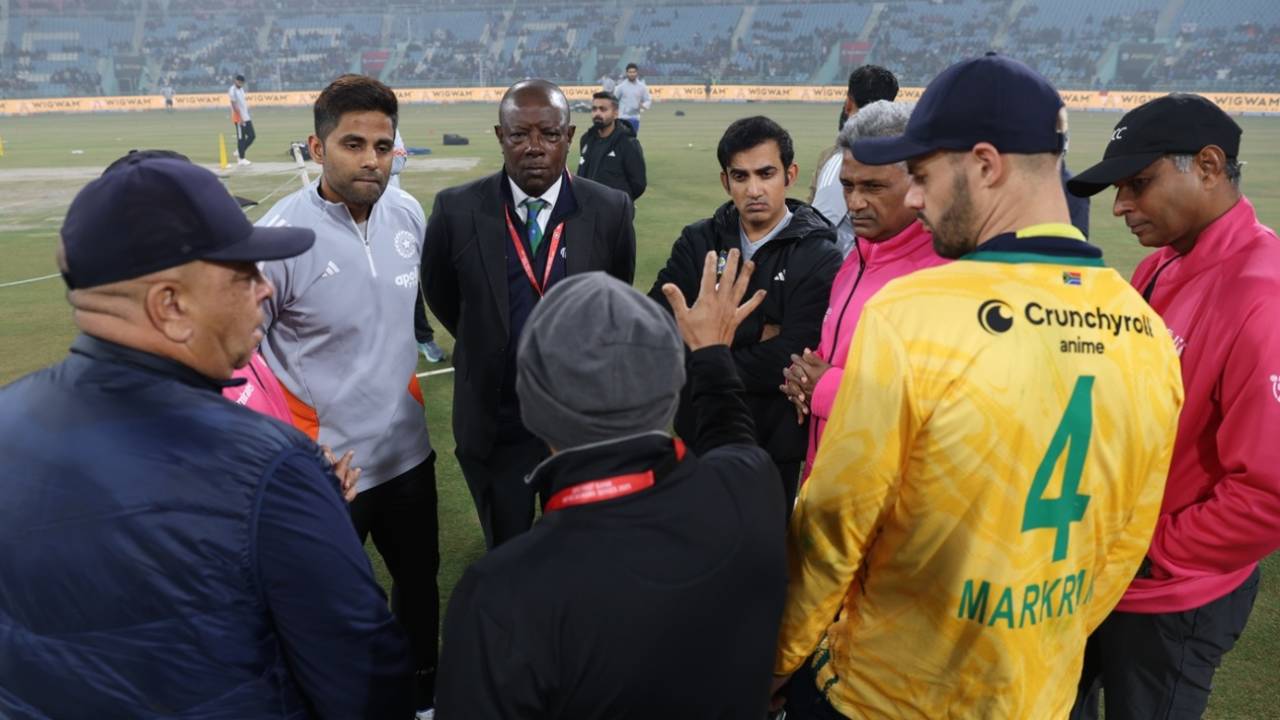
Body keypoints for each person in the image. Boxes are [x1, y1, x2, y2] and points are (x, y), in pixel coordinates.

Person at [772, 55, 1185, 719]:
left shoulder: (912, 313)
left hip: (886, 695)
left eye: (926, 175)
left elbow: (831, 529)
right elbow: (1122, 543)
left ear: (986, 164)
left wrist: (777, 661)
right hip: (1036, 694)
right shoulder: (1146, 332)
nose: (912, 197)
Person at [0, 155, 413, 718]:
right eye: (244, 272)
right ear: (170, 305)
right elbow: (364, 677)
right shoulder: (270, 468)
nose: (266, 289)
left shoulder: (9, 420)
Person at [436, 255, 787, 719]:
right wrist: (711, 353)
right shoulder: (750, 485)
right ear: (669, 385)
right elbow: (730, 431)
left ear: (532, 405)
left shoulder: (503, 594)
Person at [1065, 93, 1280, 720]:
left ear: (1209, 167)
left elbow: (1266, 495)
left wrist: (1148, 552)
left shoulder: (1261, 298)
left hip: (1172, 595)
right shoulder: (1158, 266)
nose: (1120, 205)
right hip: (1111, 575)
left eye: (1138, 182)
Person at [255, 74, 439, 718]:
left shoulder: (408, 213)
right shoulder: (277, 237)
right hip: (327, 471)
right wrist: (296, 453)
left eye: (383, 145)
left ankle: (421, 698)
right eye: (352, 143)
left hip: (407, 455)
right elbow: (244, 362)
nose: (370, 159)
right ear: (316, 146)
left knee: (418, 588)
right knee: (324, 608)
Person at [421, 78, 636, 549]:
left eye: (549, 134)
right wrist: (490, 340)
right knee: (509, 551)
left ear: (570, 136)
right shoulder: (457, 210)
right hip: (497, 424)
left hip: (577, 422)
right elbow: (440, 293)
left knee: (579, 552)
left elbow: (614, 297)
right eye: (519, 135)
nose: (534, 148)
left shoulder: (610, 209)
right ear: (500, 136)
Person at [649, 115, 841, 512]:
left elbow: (792, 356)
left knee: (765, 563)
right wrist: (757, 328)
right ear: (725, 181)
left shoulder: (819, 254)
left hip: (774, 445)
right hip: (699, 437)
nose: (754, 189)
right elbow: (658, 328)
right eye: (741, 176)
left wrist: (707, 343)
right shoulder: (697, 240)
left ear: (790, 174)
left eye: (766, 173)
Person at [779, 100, 946, 484]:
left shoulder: (944, 275)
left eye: (873, 187)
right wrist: (800, 378)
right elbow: (831, 362)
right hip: (828, 493)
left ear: (919, 180)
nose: (854, 203)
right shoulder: (853, 260)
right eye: (847, 186)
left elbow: (935, 412)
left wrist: (823, 388)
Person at [809, 64, 899, 256]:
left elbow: (818, 230)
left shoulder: (843, 162)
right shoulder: (906, 160)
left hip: (845, 276)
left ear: (848, 104)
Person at [577, 90, 647, 200]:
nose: (597, 113)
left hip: (615, 212)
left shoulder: (628, 143)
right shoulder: (586, 140)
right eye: (594, 109)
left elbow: (638, 184)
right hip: (587, 210)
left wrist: (620, 204)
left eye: (603, 109)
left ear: (615, 113)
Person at [615, 62, 652, 135]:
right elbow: (614, 100)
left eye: (634, 72)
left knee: (632, 140)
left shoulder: (642, 87)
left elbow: (648, 100)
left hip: (635, 118)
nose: (632, 74)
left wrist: (643, 106)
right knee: (622, 140)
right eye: (630, 72)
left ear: (637, 73)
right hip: (622, 118)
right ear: (626, 73)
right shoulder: (620, 87)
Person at [229, 73, 254, 166]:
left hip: (246, 117)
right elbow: (234, 105)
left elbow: (242, 103)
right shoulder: (232, 90)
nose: (240, 84)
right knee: (241, 138)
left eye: (242, 83)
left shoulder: (241, 89)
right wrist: (240, 118)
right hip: (239, 118)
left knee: (252, 136)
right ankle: (241, 159)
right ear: (236, 81)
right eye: (239, 82)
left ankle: (239, 150)